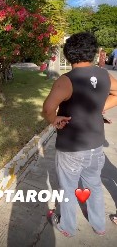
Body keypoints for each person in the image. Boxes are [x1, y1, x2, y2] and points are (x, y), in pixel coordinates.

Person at [42, 32, 117, 237]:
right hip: (96, 146)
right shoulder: (103, 74)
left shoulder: (66, 80)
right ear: (92, 53)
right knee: (93, 184)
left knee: (68, 188)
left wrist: (53, 120)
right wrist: (99, 109)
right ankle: (99, 225)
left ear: (68, 55)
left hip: (71, 148)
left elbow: (48, 108)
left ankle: (67, 226)